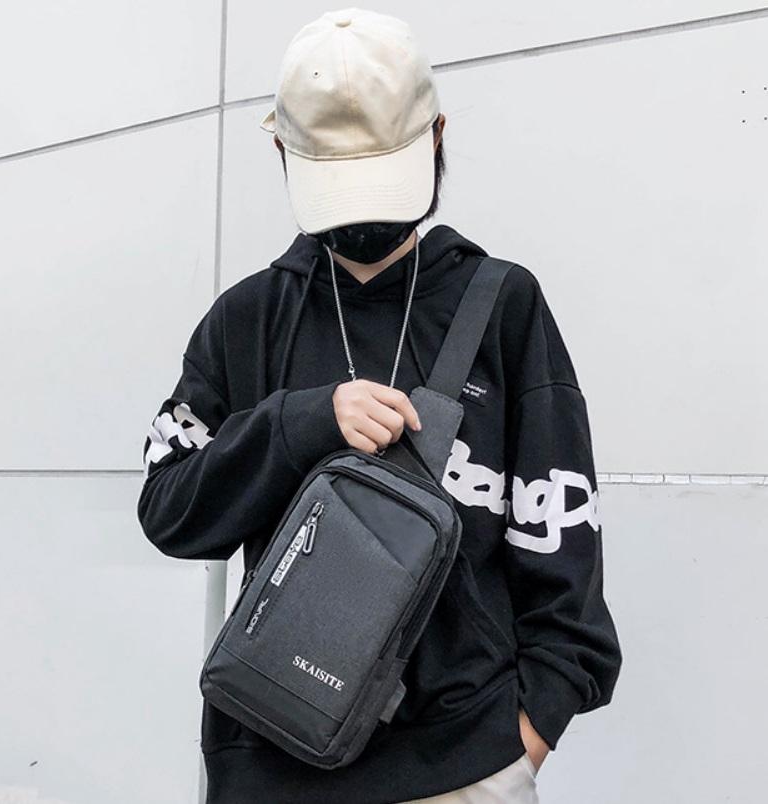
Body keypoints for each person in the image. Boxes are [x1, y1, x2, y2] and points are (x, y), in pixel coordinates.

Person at [137, 7, 622, 803]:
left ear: (438, 136)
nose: (364, 216)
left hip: (465, 764)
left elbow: (561, 530)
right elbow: (168, 512)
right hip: (269, 758)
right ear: (282, 154)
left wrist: (527, 736)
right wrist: (298, 424)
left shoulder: (502, 306)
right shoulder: (246, 320)